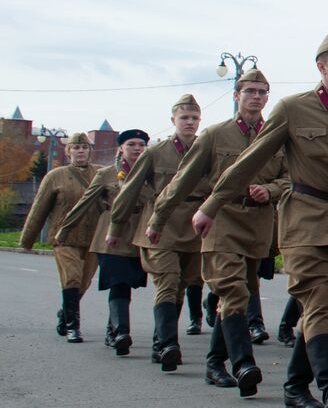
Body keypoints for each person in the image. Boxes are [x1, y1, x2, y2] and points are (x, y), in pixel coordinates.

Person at [196, 35, 328, 408]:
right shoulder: (293, 109)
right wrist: (212, 205)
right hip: (306, 218)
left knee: (324, 302)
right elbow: (250, 160)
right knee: (318, 300)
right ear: (321, 67)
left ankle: (295, 385)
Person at [147, 69, 287, 397]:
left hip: (258, 223)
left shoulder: (278, 135)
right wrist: (157, 219)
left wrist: (270, 190)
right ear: (236, 95)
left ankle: (214, 362)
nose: (256, 97)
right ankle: (243, 363)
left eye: (262, 92)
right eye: (249, 91)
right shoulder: (215, 135)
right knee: (233, 290)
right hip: (221, 218)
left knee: (237, 294)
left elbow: (291, 177)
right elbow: (181, 180)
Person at [107, 94, 204, 371]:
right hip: (159, 226)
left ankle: (160, 342)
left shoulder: (206, 149)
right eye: (184, 118)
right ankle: (169, 344)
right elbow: (130, 189)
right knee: (168, 281)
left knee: (181, 285)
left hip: (192, 226)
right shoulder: (155, 152)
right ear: (173, 120)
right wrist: (116, 227)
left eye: (194, 118)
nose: (189, 122)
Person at [56, 129, 151, 351]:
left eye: (141, 145)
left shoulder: (152, 173)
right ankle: (121, 332)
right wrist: (64, 230)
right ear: (121, 148)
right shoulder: (107, 174)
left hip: (138, 234)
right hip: (110, 236)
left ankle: (112, 330)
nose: (137, 148)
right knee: (118, 281)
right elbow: (85, 202)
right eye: (131, 144)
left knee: (128, 282)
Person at [20, 131, 100, 341]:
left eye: (84, 148)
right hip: (64, 237)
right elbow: (39, 209)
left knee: (84, 283)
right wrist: (27, 239)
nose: (80, 151)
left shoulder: (101, 173)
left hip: (93, 237)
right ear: (68, 152)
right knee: (72, 277)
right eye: (76, 148)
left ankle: (65, 314)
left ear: (90, 151)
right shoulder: (56, 176)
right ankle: (73, 327)